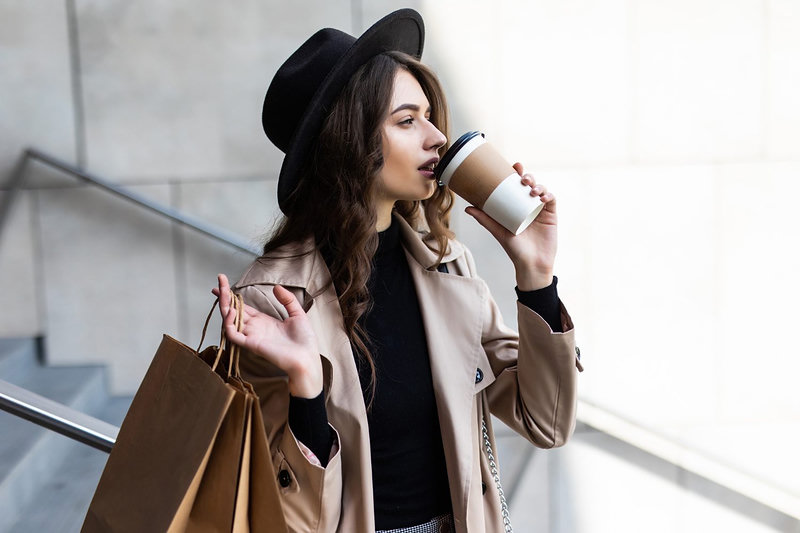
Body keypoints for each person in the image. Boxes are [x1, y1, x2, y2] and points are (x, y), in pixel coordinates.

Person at [213, 8, 582, 533]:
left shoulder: (447, 265)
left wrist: (537, 278)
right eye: (407, 121)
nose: (437, 138)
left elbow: (545, 422)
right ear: (349, 140)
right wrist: (306, 385)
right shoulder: (273, 298)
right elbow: (281, 516)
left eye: (429, 117)